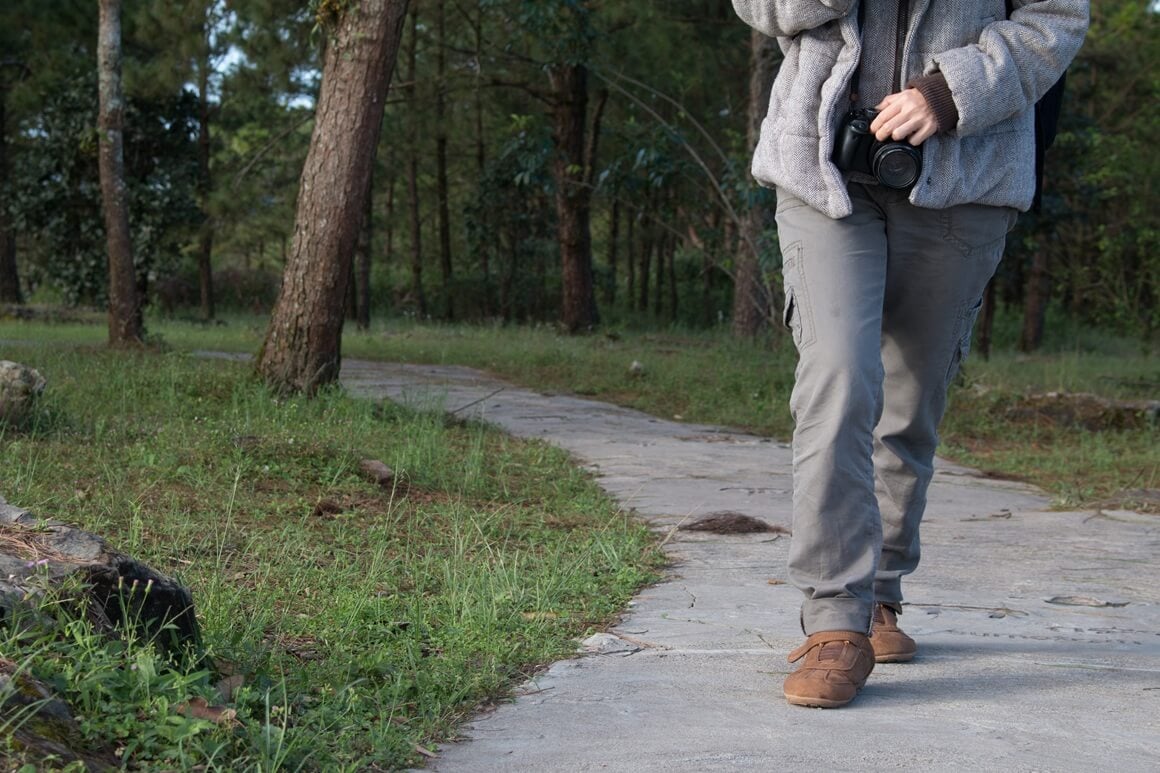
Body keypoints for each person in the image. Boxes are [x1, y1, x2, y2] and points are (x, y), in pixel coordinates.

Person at [729, 0, 1089, 708]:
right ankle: (836, 618)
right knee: (838, 375)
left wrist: (949, 94)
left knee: (911, 396)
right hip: (822, 166)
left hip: (966, 173)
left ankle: (879, 593)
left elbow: (1058, 18)